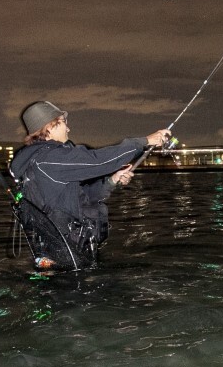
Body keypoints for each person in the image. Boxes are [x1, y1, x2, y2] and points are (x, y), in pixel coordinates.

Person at [9, 100, 170, 269]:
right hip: (66, 256)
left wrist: (111, 180)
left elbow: (82, 198)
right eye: (63, 123)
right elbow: (98, 161)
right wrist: (144, 141)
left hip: (65, 251)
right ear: (49, 127)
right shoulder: (49, 160)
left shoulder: (44, 161)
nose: (68, 128)